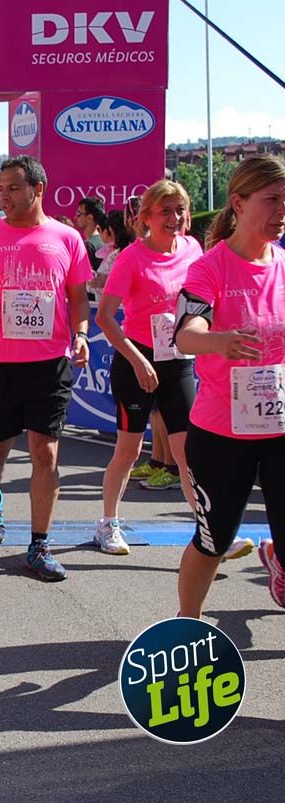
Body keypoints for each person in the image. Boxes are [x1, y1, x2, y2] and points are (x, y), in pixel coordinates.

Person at [0, 155, 91, 582]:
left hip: (49, 364)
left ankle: (39, 544)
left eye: (13, 187)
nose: (4, 196)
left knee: (45, 451)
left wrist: (81, 334)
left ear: (38, 189)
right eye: (0, 188)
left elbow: (76, 297)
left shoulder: (66, 239)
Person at [174, 154, 285, 617]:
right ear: (238, 203)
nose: (282, 211)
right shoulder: (210, 268)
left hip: (281, 431)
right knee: (213, 538)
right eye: (272, 200)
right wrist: (218, 341)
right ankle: (187, 624)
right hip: (222, 434)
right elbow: (185, 334)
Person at [94, 180, 203, 555]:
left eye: (179, 210)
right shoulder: (131, 258)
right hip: (137, 359)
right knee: (128, 450)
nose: (174, 218)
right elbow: (106, 318)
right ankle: (108, 524)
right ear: (146, 218)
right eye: (165, 211)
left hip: (178, 360)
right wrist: (138, 360)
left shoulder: (192, 248)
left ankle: (207, 531)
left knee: (188, 449)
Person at [75, 196, 107, 270]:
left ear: (89, 218)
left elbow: (84, 277)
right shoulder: (106, 241)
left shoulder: (88, 246)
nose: (75, 217)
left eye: (79, 213)